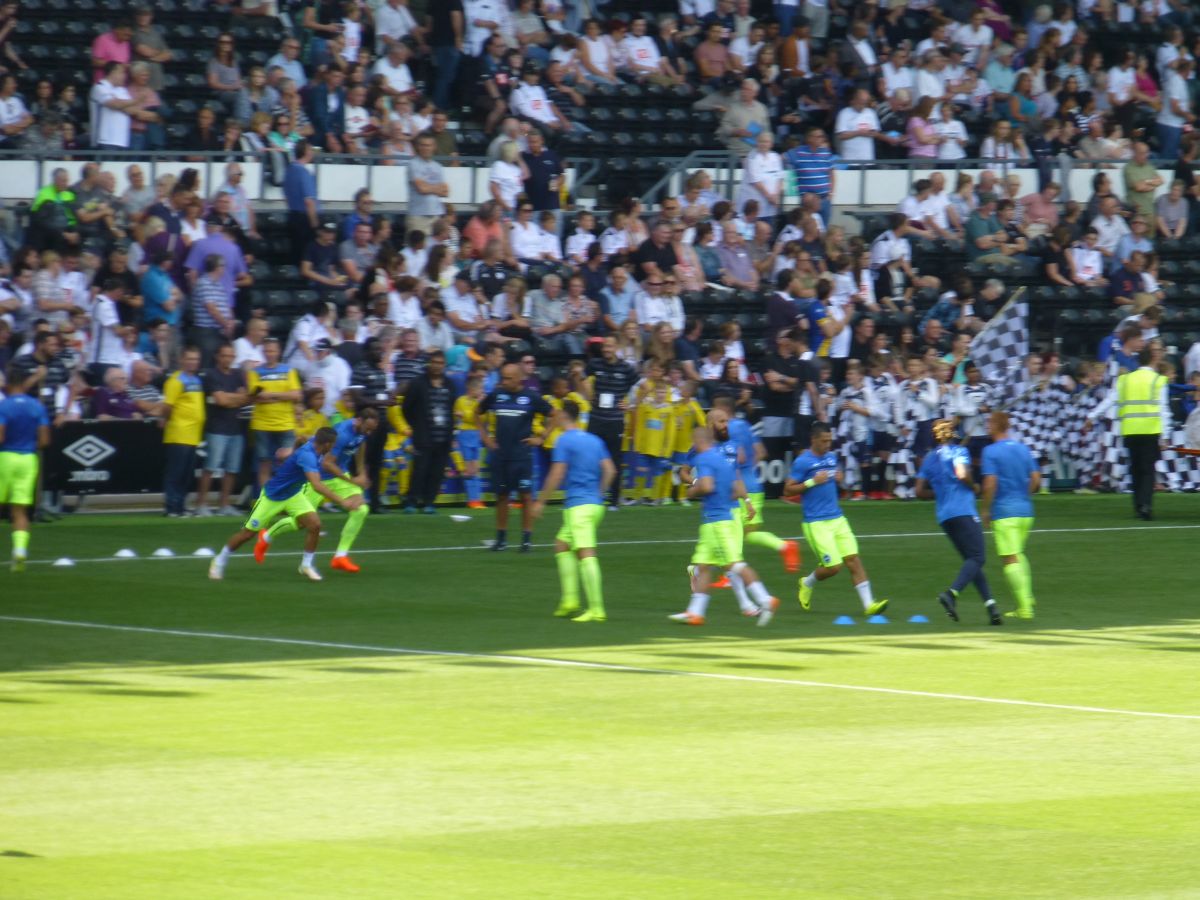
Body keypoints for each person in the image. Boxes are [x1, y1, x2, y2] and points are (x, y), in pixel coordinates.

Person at [208, 427, 362, 583]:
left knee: (315, 525)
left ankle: (306, 565)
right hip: (272, 496)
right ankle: (220, 560)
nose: (334, 447)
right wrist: (343, 501)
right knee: (247, 534)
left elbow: (302, 438)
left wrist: (291, 450)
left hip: (293, 495)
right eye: (333, 444)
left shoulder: (314, 444)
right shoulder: (308, 456)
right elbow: (316, 485)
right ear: (327, 444)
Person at [669, 425, 779, 627]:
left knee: (734, 564)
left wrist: (691, 492)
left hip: (717, 522)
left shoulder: (704, 459)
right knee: (703, 566)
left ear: (698, 440)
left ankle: (765, 599)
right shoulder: (723, 460)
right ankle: (695, 612)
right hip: (720, 518)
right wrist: (745, 502)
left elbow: (707, 486)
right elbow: (736, 487)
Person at [256, 409, 380, 573]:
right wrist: (353, 480)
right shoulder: (342, 434)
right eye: (367, 429)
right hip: (319, 477)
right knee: (300, 523)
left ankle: (340, 556)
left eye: (372, 430)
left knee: (361, 509)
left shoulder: (361, 431)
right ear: (359, 420)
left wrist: (361, 472)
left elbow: (360, 444)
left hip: (339, 476)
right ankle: (266, 537)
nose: (369, 433)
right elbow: (327, 464)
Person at [784, 422, 888, 616]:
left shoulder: (831, 458)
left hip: (837, 518)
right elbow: (788, 489)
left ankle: (869, 605)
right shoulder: (802, 462)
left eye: (830, 441)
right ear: (813, 440)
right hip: (816, 522)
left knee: (853, 560)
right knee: (833, 567)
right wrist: (811, 482)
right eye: (824, 441)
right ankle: (806, 583)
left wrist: (837, 479)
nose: (827, 445)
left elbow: (829, 482)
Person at [532, 399, 615, 622]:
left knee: (585, 553)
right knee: (561, 545)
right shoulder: (594, 440)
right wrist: (599, 494)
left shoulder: (563, 440)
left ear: (561, 416)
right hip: (592, 505)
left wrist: (540, 501)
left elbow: (557, 473)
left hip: (579, 507)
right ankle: (570, 601)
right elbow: (610, 470)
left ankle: (597, 609)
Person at [916, 419, 1003, 626]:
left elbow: (919, 491)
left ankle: (991, 607)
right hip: (963, 510)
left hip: (945, 516)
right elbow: (962, 473)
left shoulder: (928, 458)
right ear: (952, 434)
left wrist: (939, 492)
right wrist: (973, 487)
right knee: (978, 557)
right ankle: (951, 594)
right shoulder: (958, 452)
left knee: (971, 562)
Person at [711, 398, 800, 573]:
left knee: (731, 530)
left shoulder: (730, 429)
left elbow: (739, 456)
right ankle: (784, 546)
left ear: (722, 409)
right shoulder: (744, 425)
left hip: (739, 489)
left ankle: (729, 575)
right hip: (753, 486)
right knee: (747, 534)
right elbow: (761, 452)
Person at [478, 362, 552, 552]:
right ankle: (501, 539)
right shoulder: (496, 395)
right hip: (501, 455)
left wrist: (541, 437)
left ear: (520, 378)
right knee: (502, 496)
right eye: (503, 377)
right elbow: (477, 412)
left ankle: (526, 539)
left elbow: (554, 414)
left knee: (525, 497)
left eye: (508, 378)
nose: (504, 381)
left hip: (522, 456)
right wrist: (485, 437)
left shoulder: (531, 397)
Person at [980, 411, 1039, 620]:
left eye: (990, 423)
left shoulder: (990, 452)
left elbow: (990, 483)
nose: (987, 426)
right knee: (1019, 553)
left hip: (1005, 512)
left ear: (997, 425)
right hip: (1025, 511)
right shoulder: (1022, 448)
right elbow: (1036, 478)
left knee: (1009, 558)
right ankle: (1028, 597)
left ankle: (1024, 608)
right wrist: (1025, 495)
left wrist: (985, 508)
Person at [0, 365, 51, 571]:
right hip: (29, 458)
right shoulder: (37, 406)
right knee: (19, 510)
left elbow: (1, 436)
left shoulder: (4, 406)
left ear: (9, 384)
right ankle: (20, 552)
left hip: (6, 457)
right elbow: (45, 440)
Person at [585, 335, 639, 508]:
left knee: (614, 460)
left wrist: (631, 402)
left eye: (610, 346)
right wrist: (589, 396)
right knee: (590, 458)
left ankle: (614, 499)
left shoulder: (626, 368)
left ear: (617, 347)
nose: (607, 349)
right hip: (595, 419)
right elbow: (581, 378)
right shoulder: (595, 364)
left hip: (615, 421)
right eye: (605, 347)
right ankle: (591, 496)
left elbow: (644, 386)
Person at [1117, 347, 1169, 521]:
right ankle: (1145, 505)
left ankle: (1138, 504)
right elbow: (1164, 409)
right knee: (1148, 470)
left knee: (1135, 469)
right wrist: (1165, 435)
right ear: (1152, 359)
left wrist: (1092, 416)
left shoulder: (1126, 380)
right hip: (1150, 430)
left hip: (1131, 430)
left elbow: (1112, 399)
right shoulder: (1158, 380)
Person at [195, 342, 247, 517]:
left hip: (235, 428)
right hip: (216, 427)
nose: (228, 359)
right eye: (224, 355)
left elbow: (245, 398)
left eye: (231, 356)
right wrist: (234, 399)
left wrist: (229, 398)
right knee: (210, 467)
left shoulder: (238, 374)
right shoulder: (210, 374)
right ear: (218, 356)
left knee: (232, 469)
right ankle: (201, 505)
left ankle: (224, 505)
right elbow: (220, 400)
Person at [402, 349, 456, 514]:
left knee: (437, 471)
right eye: (434, 362)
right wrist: (417, 425)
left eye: (440, 363)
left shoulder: (450, 385)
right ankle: (411, 501)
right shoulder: (418, 383)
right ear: (429, 364)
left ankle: (429, 502)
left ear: (444, 365)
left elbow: (452, 409)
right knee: (419, 469)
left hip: (443, 436)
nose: (437, 366)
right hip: (424, 435)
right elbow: (406, 408)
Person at [247, 337, 302, 489]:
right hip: (262, 424)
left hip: (285, 423)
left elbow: (296, 395)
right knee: (264, 464)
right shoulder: (255, 372)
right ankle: (266, 501)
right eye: (266, 350)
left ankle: (284, 499)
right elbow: (257, 397)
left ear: (278, 352)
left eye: (272, 350)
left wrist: (271, 395)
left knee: (287, 463)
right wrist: (283, 395)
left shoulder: (288, 371)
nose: (269, 353)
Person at [161, 347, 206, 517]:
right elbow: (168, 406)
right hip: (179, 433)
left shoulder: (196, 380)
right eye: (189, 359)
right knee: (176, 473)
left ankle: (180, 506)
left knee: (186, 475)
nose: (193, 362)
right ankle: (171, 507)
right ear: (182, 360)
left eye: (195, 359)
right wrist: (167, 420)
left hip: (193, 435)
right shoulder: (176, 380)